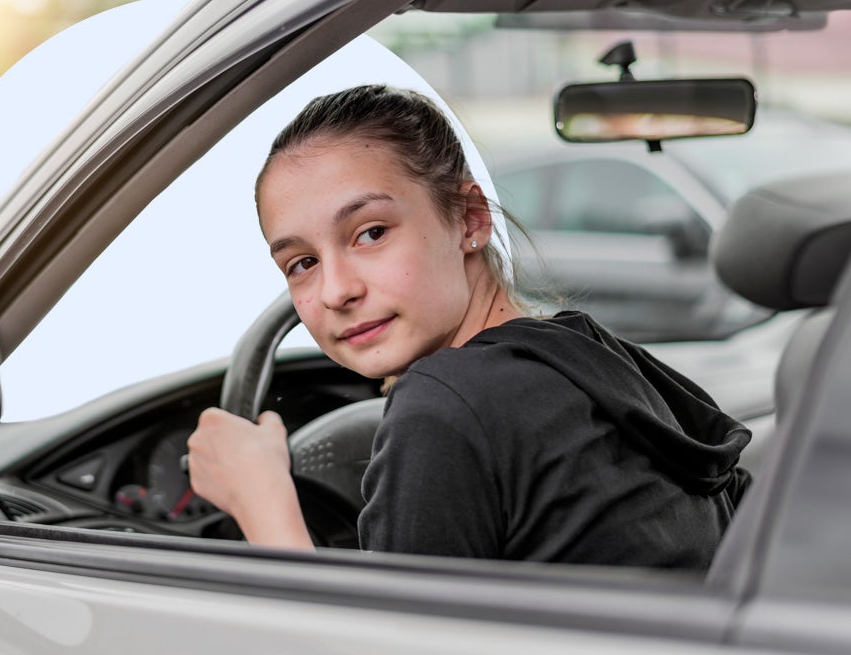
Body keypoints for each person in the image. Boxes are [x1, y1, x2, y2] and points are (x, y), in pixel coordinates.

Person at [186, 84, 751, 570]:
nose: (337, 291)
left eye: (371, 233)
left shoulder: (445, 408)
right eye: (302, 263)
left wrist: (262, 501)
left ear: (470, 219)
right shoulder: (585, 353)